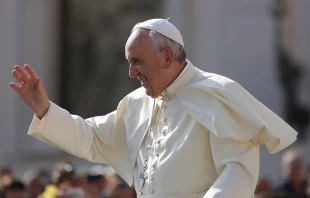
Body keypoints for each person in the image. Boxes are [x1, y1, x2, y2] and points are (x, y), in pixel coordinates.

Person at [9, 18, 298, 198]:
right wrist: (44, 109)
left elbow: (237, 173)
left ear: (167, 57)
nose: (131, 73)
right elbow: (93, 138)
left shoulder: (217, 94)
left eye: (137, 61)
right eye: (128, 62)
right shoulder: (137, 103)